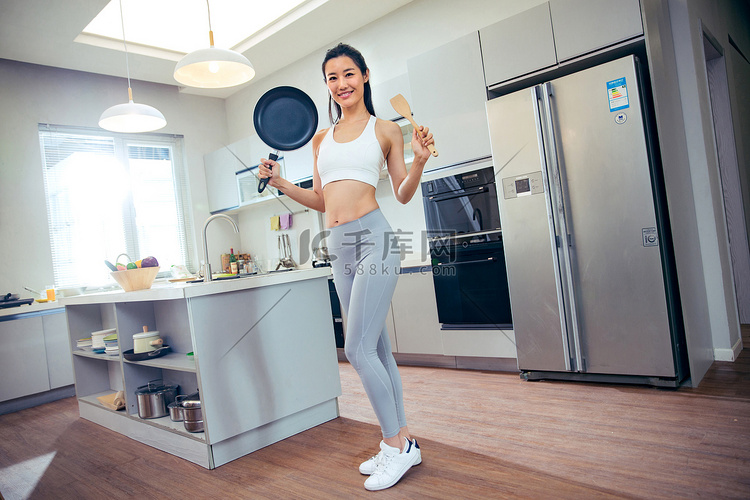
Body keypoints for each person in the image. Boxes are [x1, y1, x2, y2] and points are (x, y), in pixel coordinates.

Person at [258, 42, 435, 491]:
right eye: (333, 77)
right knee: (377, 349)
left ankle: (394, 445)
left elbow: (402, 193)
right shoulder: (320, 140)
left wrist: (419, 162)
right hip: (338, 245)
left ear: (366, 75)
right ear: (327, 85)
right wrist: (279, 181)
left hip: (373, 238)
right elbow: (320, 199)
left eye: (349, 74)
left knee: (356, 349)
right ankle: (405, 441)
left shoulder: (387, 130)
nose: (341, 84)